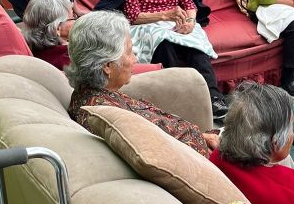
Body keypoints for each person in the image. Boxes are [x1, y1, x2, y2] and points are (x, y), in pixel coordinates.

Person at [95, 0, 228, 122]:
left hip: (175, 21)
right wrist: (165, 16)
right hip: (146, 26)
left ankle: (214, 96)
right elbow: (133, 15)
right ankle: (180, 97)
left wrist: (190, 22)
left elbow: (190, 3)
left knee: (194, 46)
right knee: (164, 44)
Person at [66, 11, 218, 156]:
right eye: (129, 52)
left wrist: (203, 136)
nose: (135, 59)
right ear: (107, 66)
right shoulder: (111, 118)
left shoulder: (96, 93)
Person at [21, 0, 76, 69]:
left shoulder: (30, 49)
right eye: (72, 16)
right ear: (57, 28)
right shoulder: (70, 58)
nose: (75, 20)